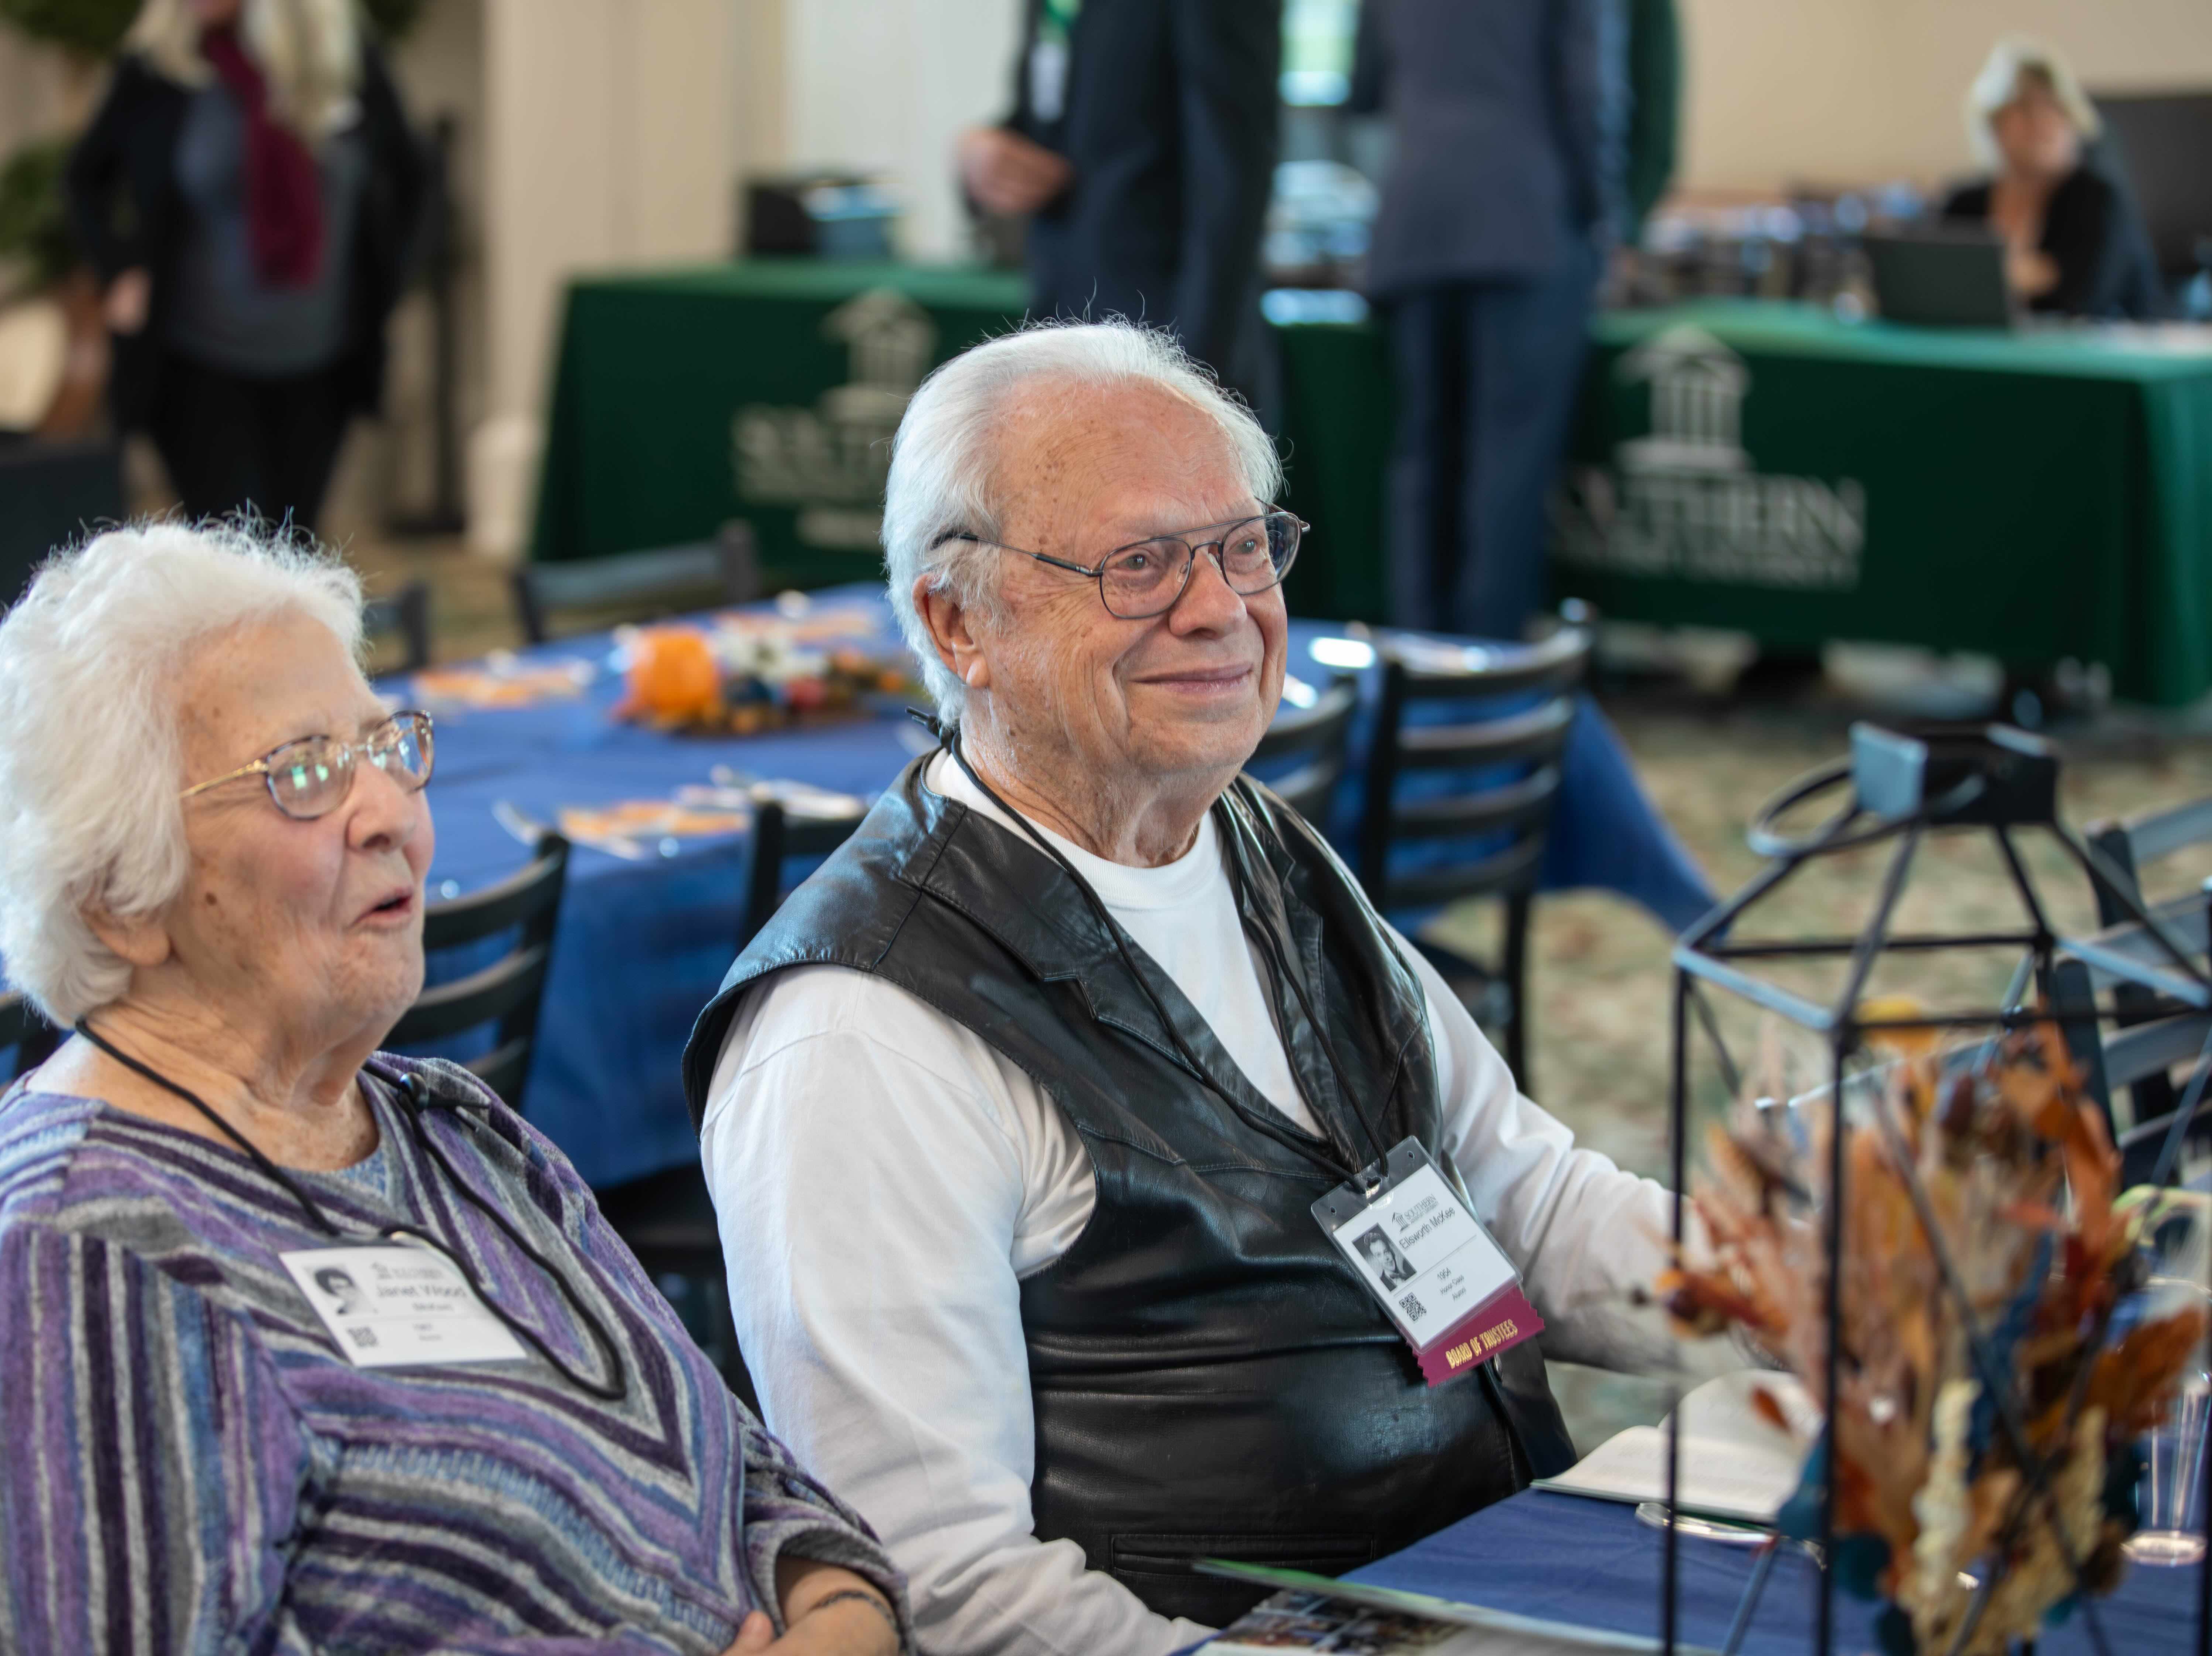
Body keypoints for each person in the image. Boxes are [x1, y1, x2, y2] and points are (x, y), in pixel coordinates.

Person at [687, 322, 1720, 1656]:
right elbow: (943, 1586)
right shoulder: (857, 1033)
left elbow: (1514, 1194)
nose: (1218, 606)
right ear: (958, 622)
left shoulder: (1251, 837)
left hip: (1481, 1568)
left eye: (1241, 546)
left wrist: (1782, 1287)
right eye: (1137, 564)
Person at [0, 522, 909, 1656]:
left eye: (385, 746)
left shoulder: (441, 1124)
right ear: (118, 892)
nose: (393, 812)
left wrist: (839, 1618)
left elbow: (753, 1476)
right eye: (303, 772)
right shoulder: (79, 1255)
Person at [65, 0, 426, 532]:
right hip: (199, 360)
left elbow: (414, 179)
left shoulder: (345, 66)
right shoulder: (162, 69)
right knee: (234, 549)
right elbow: (84, 180)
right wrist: (121, 270)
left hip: (320, 363)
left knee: (296, 549)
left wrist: (386, 286)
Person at [1359, 0, 1623, 641]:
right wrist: (1604, 216)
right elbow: (1589, 92)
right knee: (1508, 461)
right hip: (1525, 222)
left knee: (1425, 452)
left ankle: (1416, 658)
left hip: (1417, 219)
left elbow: (1365, 86)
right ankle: (1487, 670)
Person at [956, 0, 1283, 414]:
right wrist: (987, 149)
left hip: (1163, 344)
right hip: (1064, 329)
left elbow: (1233, 178)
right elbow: (1055, 122)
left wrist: (1194, 375)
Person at [1939, 38, 2160, 320]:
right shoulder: (1964, 205)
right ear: (1994, 123)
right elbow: (1936, 288)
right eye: (2023, 109)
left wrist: (1987, 278)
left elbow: (2084, 296)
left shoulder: (2099, 201)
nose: (2040, 123)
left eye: (2052, 108)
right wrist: (2033, 274)